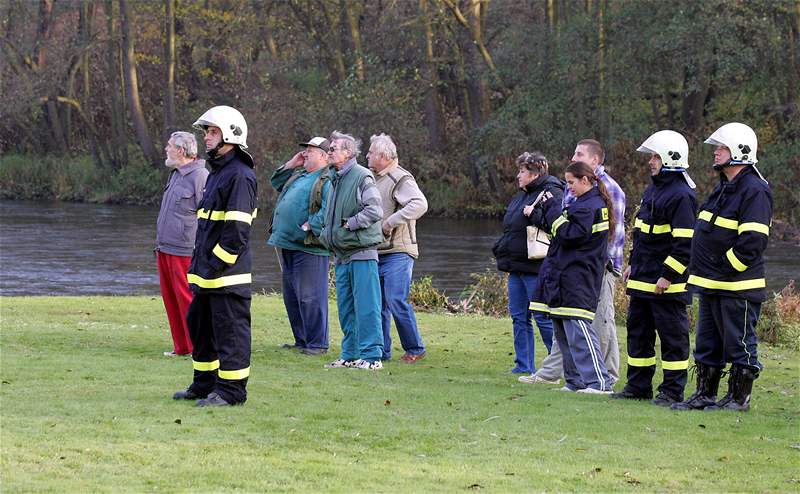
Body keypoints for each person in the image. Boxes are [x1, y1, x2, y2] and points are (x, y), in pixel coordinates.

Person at [673, 123, 772, 412]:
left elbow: (753, 241)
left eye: (722, 148)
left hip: (737, 287)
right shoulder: (724, 188)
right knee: (707, 344)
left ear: (740, 152)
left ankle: (739, 399)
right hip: (711, 284)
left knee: (739, 344)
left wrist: (723, 267)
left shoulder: (755, 191)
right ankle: (705, 394)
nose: (715, 153)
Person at [172, 105, 258, 407]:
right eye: (207, 132)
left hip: (226, 276)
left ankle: (231, 392)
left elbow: (236, 232)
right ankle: (204, 384)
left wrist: (215, 266)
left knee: (230, 333)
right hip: (207, 276)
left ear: (231, 135)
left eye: (212, 132)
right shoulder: (218, 173)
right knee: (201, 328)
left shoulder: (240, 175)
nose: (206, 138)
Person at [611, 130, 696, 406]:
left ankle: (671, 391)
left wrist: (667, 276)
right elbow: (643, 232)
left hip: (665, 285)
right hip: (642, 279)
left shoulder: (682, 195)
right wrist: (632, 265)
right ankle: (638, 385)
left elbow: (684, 244)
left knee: (673, 338)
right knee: (638, 334)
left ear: (671, 158)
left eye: (656, 156)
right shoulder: (654, 189)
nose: (651, 161)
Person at [530, 161, 614, 394]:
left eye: (571, 182)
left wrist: (555, 209)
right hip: (565, 276)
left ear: (585, 180)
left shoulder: (590, 206)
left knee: (579, 331)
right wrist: (547, 212)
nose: (568, 188)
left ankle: (599, 383)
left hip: (578, 277)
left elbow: (569, 236)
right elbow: (559, 233)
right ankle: (575, 381)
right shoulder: (582, 204)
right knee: (565, 333)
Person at [318, 131, 385, 370]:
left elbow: (375, 210)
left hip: (361, 252)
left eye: (334, 148)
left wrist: (350, 224)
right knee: (346, 307)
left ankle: (372, 357)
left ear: (348, 153)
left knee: (367, 306)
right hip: (342, 254)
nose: (329, 152)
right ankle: (350, 354)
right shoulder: (335, 178)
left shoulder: (361, 176)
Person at [493, 152, 561, 375]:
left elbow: (557, 226)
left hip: (537, 268)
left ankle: (558, 365)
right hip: (516, 267)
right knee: (518, 317)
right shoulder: (521, 195)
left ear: (534, 173)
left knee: (542, 317)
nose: (518, 176)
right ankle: (523, 365)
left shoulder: (552, 192)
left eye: (521, 171)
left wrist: (534, 214)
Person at [367, 133, 429, 363]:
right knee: (379, 304)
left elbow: (420, 204)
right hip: (378, 250)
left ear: (383, 156)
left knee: (395, 299)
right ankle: (382, 351)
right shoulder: (374, 177)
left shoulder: (400, 178)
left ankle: (415, 348)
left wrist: (391, 222)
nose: (367, 155)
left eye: (371, 152)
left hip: (399, 251)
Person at [566, 139, 624, 385]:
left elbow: (610, 234)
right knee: (575, 319)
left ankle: (605, 376)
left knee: (601, 320)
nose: (573, 156)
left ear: (595, 160)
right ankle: (580, 375)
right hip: (578, 264)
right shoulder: (576, 183)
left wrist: (596, 263)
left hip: (600, 265)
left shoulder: (609, 188)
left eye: (579, 153)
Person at [268, 137, 332, 356]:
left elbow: (329, 207)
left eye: (310, 150)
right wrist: (291, 163)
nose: (305, 153)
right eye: (304, 149)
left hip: (309, 245)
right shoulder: (300, 174)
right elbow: (276, 183)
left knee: (311, 296)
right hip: (287, 243)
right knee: (293, 296)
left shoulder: (328, 178)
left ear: (324, 156)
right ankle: (302, 340)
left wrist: (310, 225)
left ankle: (317, 344)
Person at [155, 131, 209, 357]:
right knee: (170, 299)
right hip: (165, 247)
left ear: (181, 150)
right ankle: (182, 347)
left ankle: (197, 347)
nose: (166, 149)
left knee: (187, 299)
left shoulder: (200, 176)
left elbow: (206, 215)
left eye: (169, 146)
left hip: (185, 250)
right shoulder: (175, 174)